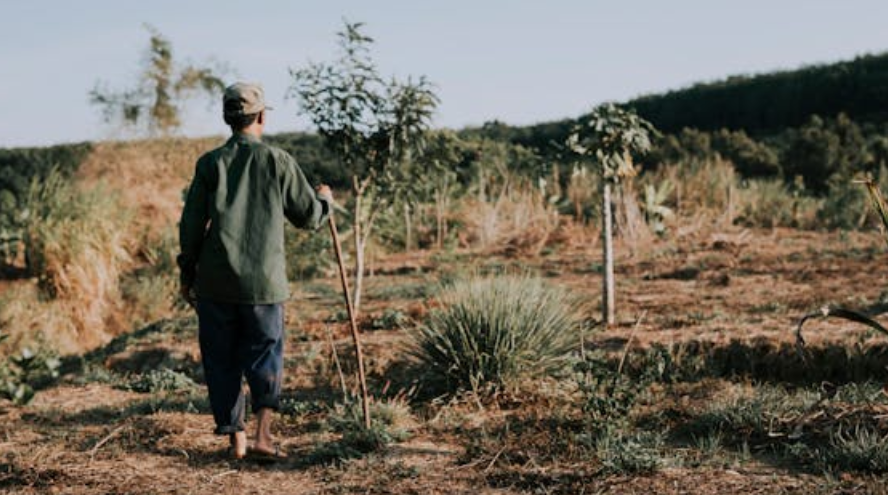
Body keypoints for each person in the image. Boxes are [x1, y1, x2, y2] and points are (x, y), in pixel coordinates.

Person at [177, 82, 332, 460]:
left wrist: (187, 273)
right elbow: (308, 217)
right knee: (265, 354)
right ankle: (264, 437)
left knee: (222, 358)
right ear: (261, 117)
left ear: (228, 119)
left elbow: (191, 225)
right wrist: (325, 200)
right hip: (263, 282)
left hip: (215, 281)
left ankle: (238, 443)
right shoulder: (277, 161)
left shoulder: (210, 163)